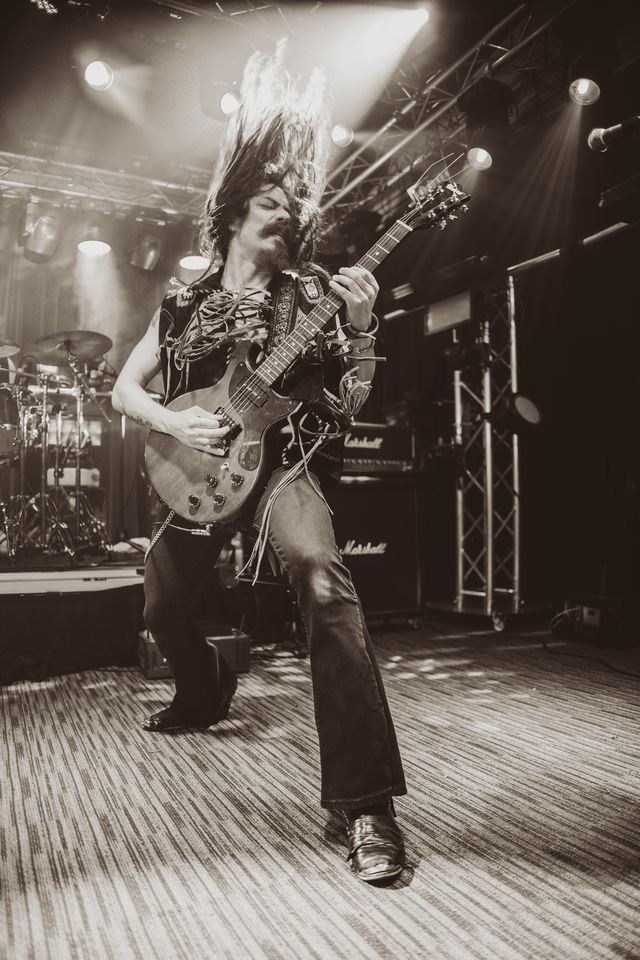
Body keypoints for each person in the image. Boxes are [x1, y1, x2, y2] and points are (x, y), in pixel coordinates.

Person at [112, 44, 406, 884]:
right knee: (164, 605)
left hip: (281, 465)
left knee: (321, 574)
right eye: (268, 195)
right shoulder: (184, 295)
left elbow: (346, 406)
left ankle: (368, 806)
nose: (285, 204)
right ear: (235, 208)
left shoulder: (312, 294)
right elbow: (124, 390)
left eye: (293, 197)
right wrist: (175, 417)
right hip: (196, 461)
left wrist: (361, 332)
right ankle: (205, 692)